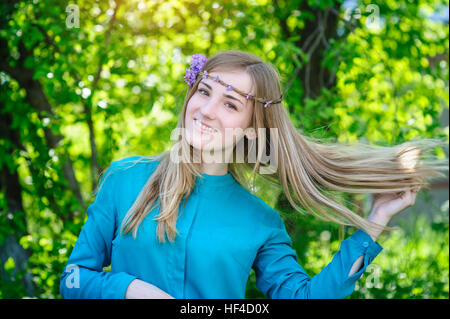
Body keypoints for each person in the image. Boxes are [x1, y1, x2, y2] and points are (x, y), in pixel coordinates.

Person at [60, 50, 448, 299]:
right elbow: (73, 280)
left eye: (230, 104)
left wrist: (376, 220)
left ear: (251, 127)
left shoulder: (261, 221)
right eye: (203, 91)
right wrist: (129, 289)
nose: (206, 110)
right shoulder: (124, 179)